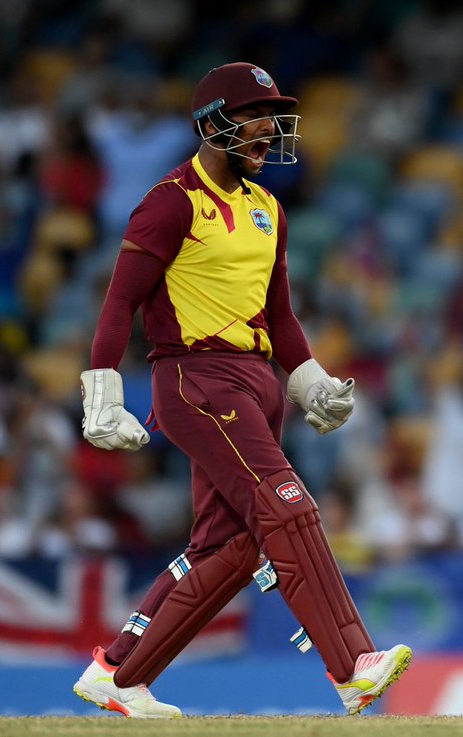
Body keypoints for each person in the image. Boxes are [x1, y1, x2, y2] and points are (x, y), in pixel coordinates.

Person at [71, 62, 411, 718]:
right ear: (211, 123)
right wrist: (103, 391)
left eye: (273, 116)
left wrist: (309, 383)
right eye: (255, 114)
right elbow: (120, 300)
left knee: (229, 549)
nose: (269, 129)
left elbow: (279, 317)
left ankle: (121, 671)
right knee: (288, 507)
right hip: (198, 378)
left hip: (257, 386)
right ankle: (351, 666)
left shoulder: (268, 209)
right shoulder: (171, 200)